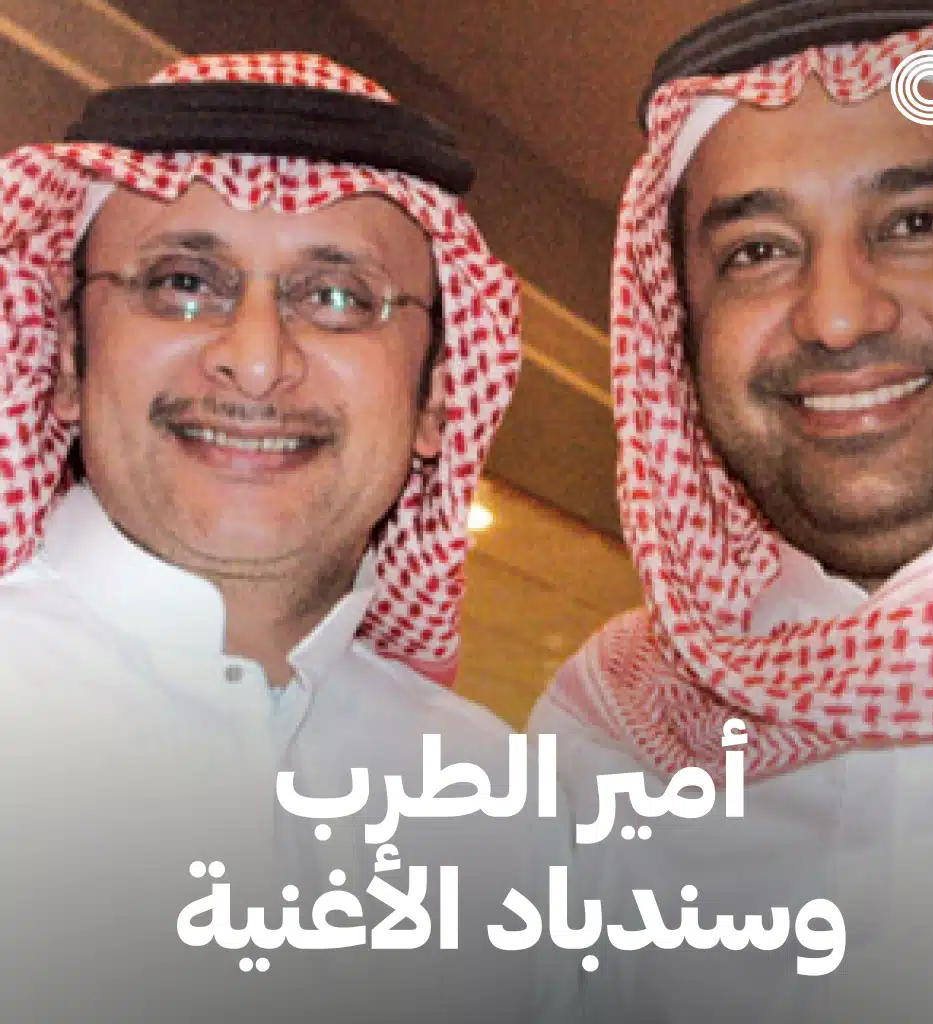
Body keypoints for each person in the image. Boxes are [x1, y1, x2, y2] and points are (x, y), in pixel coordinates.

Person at [0, 53, 572, 1024]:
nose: (257, 360)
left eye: (339, 297)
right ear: (62, 361)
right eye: (183, 282)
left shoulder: (500, 809)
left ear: (438, 397)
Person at [530, 1, 933, 1021]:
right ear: (680, 331)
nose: (837, 316)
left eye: (919, 224)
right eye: (757, 251)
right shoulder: (603, 741)